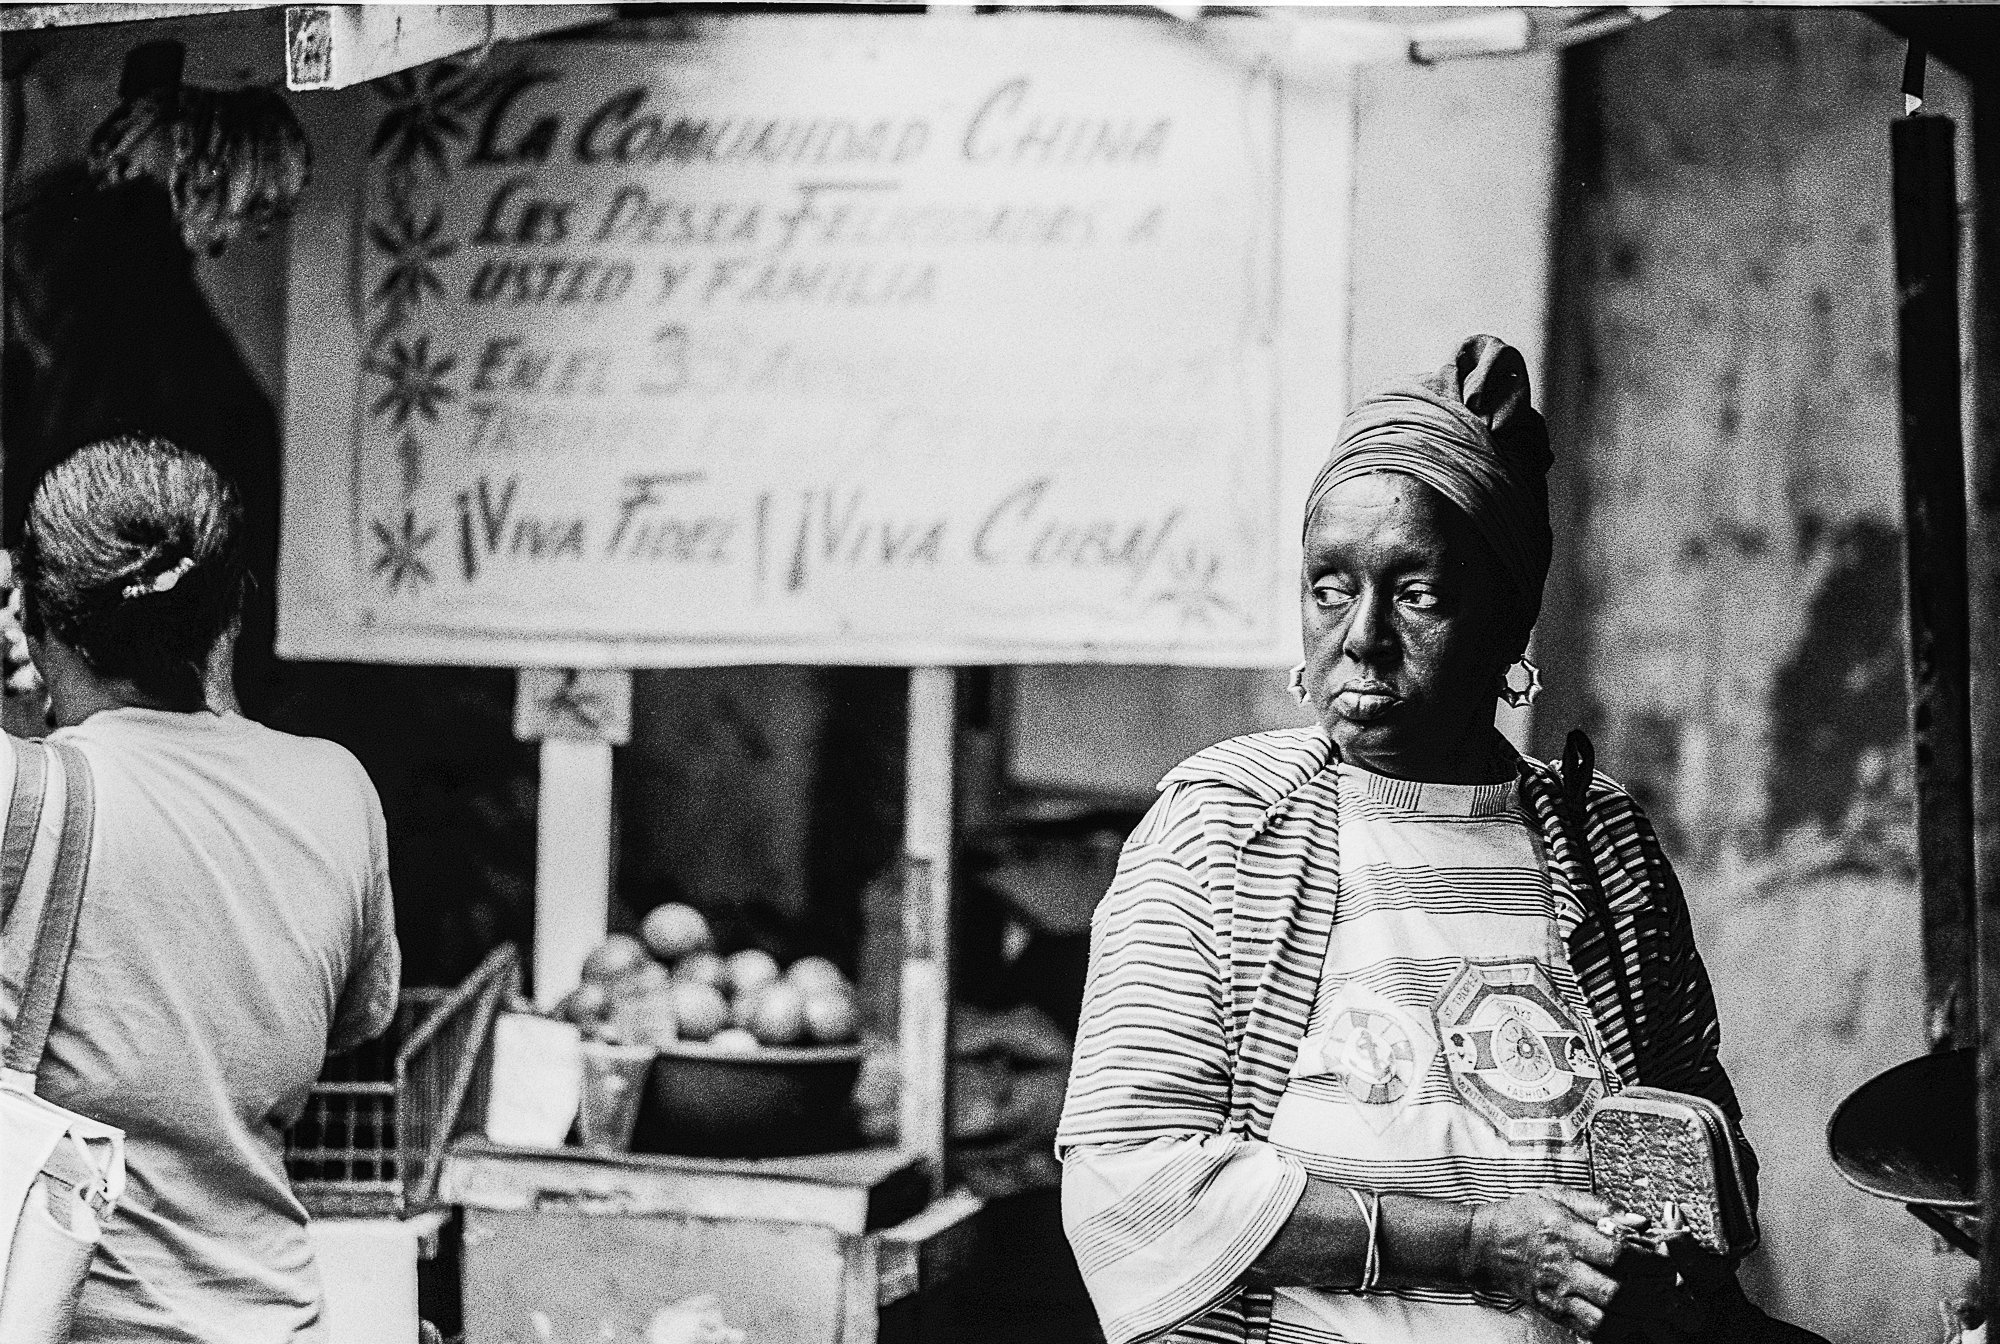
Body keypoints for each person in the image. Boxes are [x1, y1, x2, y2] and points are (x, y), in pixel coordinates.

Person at [1058, 337, 1815, 1344]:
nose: (1360, 635)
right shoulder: (1221, 834)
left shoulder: (1602, 846)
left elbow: (1697, 1153)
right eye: (1329, 586)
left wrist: (1666, 1247)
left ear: (1507, 619)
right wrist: (1475, 1244)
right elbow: (1132, 1182)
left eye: (1415, 593)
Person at [0, 436, 400, 1341]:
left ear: (33, 623)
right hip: (276, 1318)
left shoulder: (20, 795)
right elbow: (352, 1021)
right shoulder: (337, 790)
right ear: (233, 613)